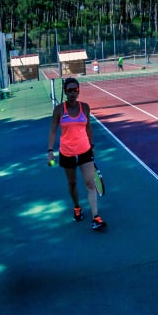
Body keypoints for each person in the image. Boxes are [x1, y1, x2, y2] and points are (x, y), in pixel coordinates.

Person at [47, 78, 107, 230]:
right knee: (72, 183)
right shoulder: (59, 110)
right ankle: (76, 207)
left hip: (85, 151)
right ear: (65, 91)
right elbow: (53, 129)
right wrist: (50, 151)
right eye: (69, 90)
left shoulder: (85, 107)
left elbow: (88, 128)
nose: (73, 93)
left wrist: (91, 145)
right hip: (67, 152)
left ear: (79, 90)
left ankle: (95, 217)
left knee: (89, 183)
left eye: (75, 90)